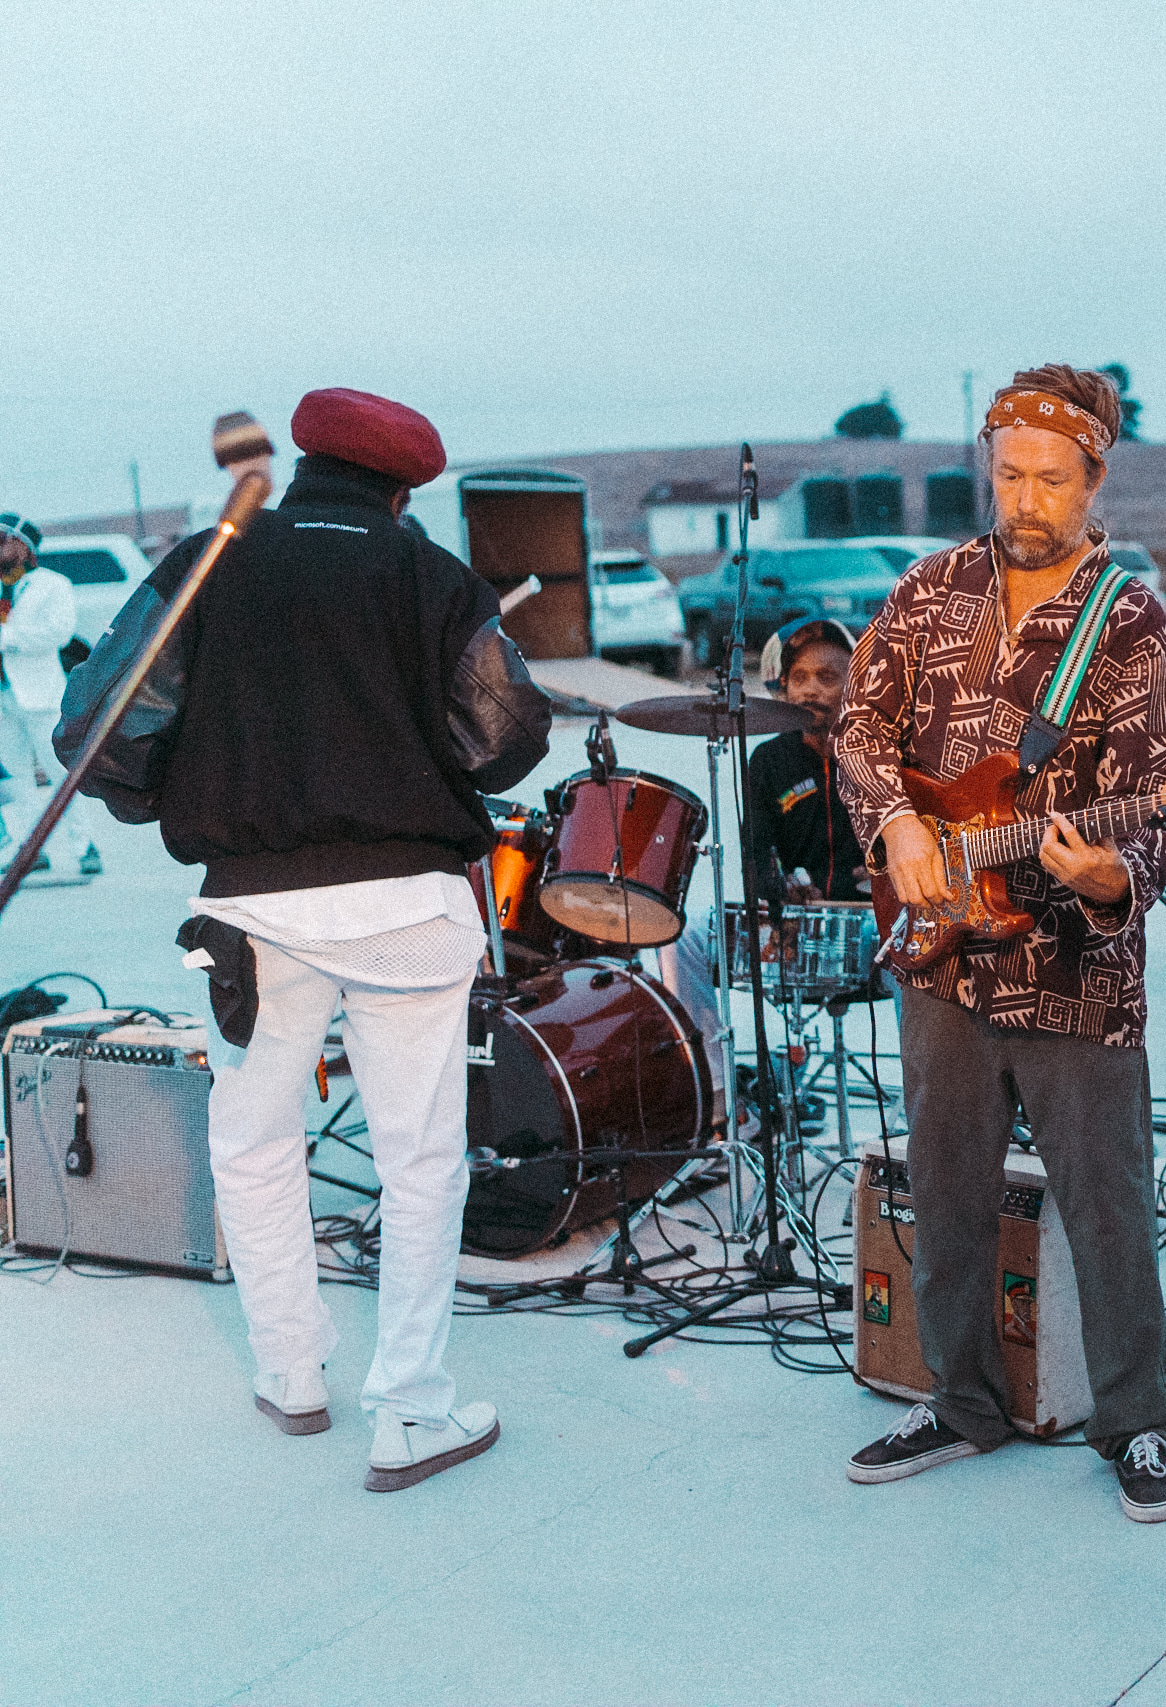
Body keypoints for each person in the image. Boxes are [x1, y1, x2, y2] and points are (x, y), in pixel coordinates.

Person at [56, 389, 552, 1491]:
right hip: (406, 910)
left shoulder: (212, 557)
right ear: (404, 488)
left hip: (254, 911)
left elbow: (103, 723)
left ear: (302, 462)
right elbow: (507, 736)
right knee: (419, 1157)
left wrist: (185, 789)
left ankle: (291, 1372)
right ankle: (411, 1411)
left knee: (251, 1137)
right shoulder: (431, 579)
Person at [834, 363, 1166, 1522]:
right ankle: (963, 1402)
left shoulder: (1131, 623)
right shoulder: (930, 587)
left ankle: (1133, 1421)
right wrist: (893, 822)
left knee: (1106, 1204)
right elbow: (859, 727)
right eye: (1008, 474)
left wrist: (1106, 877)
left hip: (1074, 977)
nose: (1026, 498)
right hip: (941, 949)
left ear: (1094, 480)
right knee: (944, 1192)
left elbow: (1158, 805)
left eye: (1051, 479)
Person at [664, 613, 867, 1117]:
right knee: (680, 940)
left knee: (926, 955)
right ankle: (718, 1102)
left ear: (857, 682)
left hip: (874, 929)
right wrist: (778, 887)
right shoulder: (768, 762)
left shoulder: (882, 753)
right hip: (794, 926)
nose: (810, 691)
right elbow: (754, 858)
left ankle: (919, 1121)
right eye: (799, 679)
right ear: (781, 688)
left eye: (828, 676)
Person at [0, 511, 105, 878]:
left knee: (60, 772)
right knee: (14, 781)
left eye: (3, 539)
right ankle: (30, 852)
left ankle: (84, 847)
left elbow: (58, 633)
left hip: (39, 694)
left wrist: (6, 638)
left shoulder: (52, 585)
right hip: (2, 698)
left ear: (24, 547)